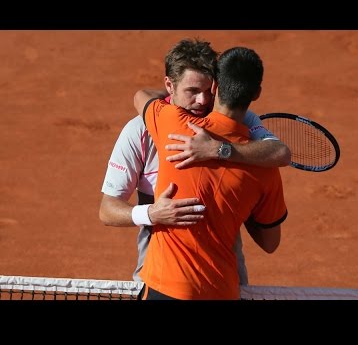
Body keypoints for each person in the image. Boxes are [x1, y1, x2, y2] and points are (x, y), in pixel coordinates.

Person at [99, 39, 291, 285]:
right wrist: (152, 213)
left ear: (217, 87)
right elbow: (107, 209)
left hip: (222, 274)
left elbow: (281, 153)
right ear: (169, 85)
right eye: (192, 91)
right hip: (160, 273)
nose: (202, 101)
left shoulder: (240, 121)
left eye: (207, 90)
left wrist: (219, 150)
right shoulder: (139, 130)